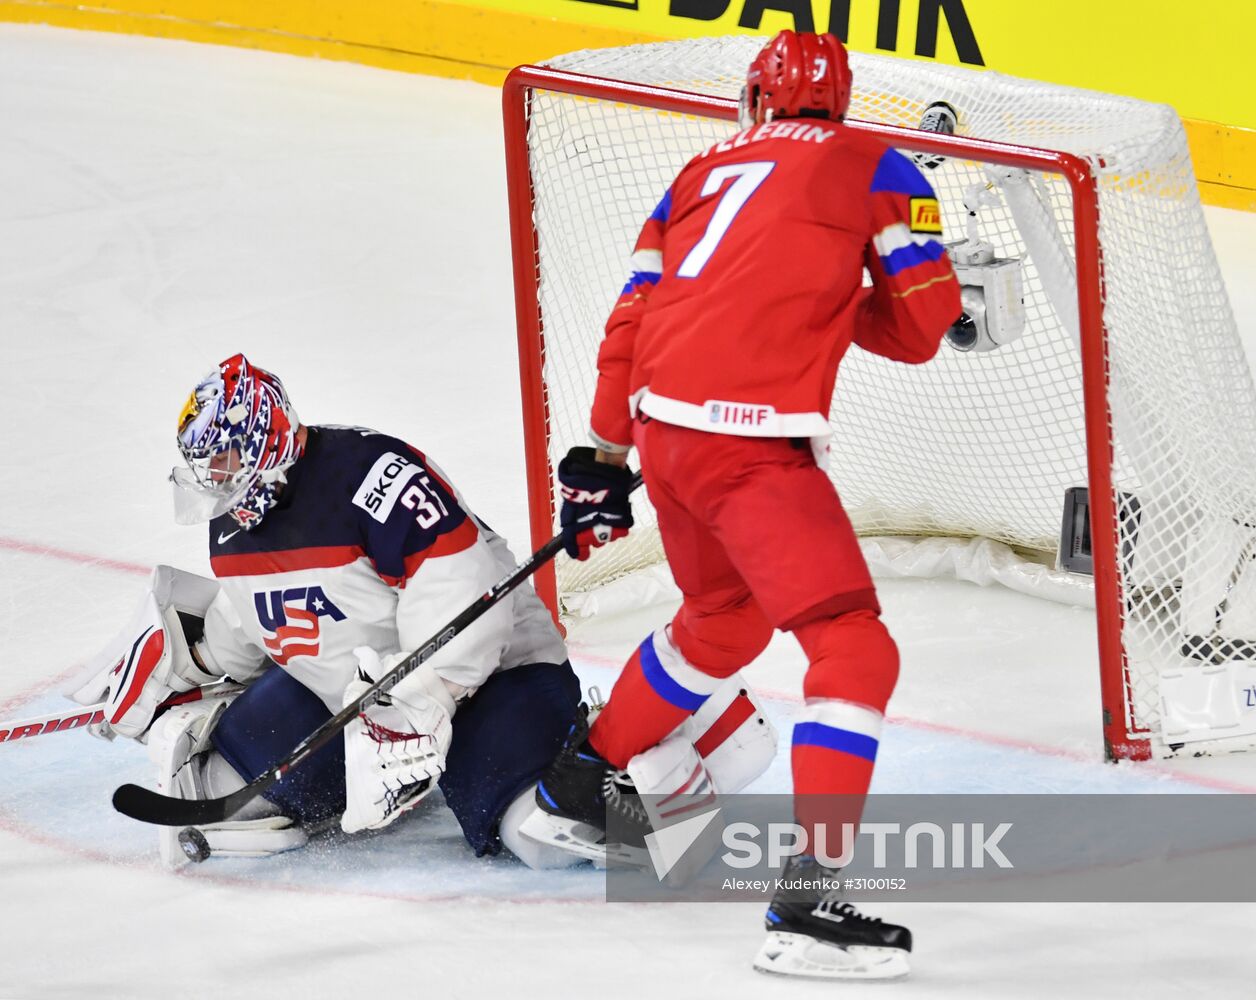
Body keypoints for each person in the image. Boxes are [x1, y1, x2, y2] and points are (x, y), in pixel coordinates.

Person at [531, 31, 961, 981]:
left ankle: (586, 779)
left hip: (663, 434)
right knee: (854, 644)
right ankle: (812, 902)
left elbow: (634, 312)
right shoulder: (878, 164)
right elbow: (928, 327)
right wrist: (853, 294)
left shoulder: (698, 168)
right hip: (749, 446)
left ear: (759, 99)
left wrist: (605, 453)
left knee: (725, 622)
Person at [69, 353, 775, 872]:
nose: (214, 482)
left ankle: (689, 759)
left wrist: (417, 708)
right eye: (206, 468)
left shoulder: (370, 475)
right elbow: (260, 617)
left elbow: (466, 595)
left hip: (489, 674)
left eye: (224, 460)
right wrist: (183, 664)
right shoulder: (233, 523)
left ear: (266, 439)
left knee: (537, 834)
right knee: (231, 790)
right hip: (354, 693)